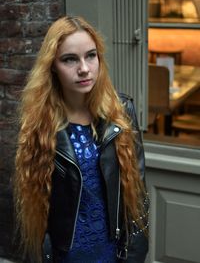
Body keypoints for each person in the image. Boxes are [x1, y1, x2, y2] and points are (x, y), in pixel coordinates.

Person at [14, 15, 149, 263]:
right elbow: (34, 208)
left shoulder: (121, 113)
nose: (84, 68)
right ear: (52, 65)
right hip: (67, 256)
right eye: (70, 59)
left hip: (113, 253)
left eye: (90, 55)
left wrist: (134, 256)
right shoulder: (40, 124)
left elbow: (137, 198)